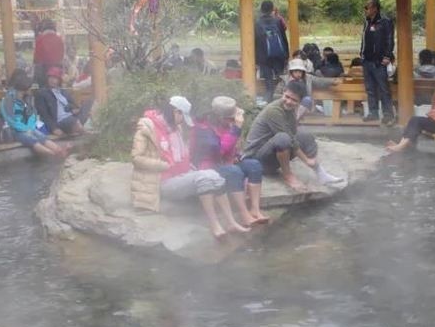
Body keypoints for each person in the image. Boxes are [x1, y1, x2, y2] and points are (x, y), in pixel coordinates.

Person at [130, 96, 248, 238]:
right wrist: (163, 165)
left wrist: (190, 167)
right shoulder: (147, 127)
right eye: (182, 117)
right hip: (162, 181)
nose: (182, 122)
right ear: (176, 112)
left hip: (180, 176)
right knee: (205, 177)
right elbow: (136, 158)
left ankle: (231, 222)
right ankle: (215, 225)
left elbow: (183, 155)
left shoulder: (175, 127)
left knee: (214, 176)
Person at [242, 80, 343, 192]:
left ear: (300, 101)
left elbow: (294, 133)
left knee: (305, 136)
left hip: (270, 155)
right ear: (283, 92)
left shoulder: (290, 110)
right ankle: (288, 176)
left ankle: (321, 173)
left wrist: (311, 158)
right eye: (287, 97)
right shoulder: (273, 111)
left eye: (294, 100)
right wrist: (306, 160)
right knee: (283, 138)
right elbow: (290, 139)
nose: (289, 101)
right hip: (256, 161)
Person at [192, 96, 270, 227]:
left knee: (254, 165)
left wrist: (238, 155)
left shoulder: (227, 124)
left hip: (227, 162)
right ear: (220, 117)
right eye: (231, 118)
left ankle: (255, 209)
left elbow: (231, 149)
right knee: (234, 171)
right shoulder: (204, 128)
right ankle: (244, 215)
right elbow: (220, 150)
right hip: (209, 166)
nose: (233, 121)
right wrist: (236, 129)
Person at [0, 70, 68, 158]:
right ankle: (54, 154)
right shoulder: (7, 101)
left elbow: (32, 115)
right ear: (24, 89)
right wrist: (25, 129)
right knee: (31, 140)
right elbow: (11, 120)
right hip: (15, 130)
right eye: (29, 88)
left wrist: (30, 127)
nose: (31, 90)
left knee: (41, 136)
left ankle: (59, 150)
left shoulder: (27, 98)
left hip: (29, 127)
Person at [359, 0, 396, 125]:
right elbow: (364, 40)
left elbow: (390, 40)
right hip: (367, 59)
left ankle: (388, 114)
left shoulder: (385, 21)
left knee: (383, 88)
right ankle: (373, 112)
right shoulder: (367, 22)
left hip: (379, 60)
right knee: (370, 88)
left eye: (367, 7)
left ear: (374, 8)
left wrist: (387, 56)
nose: (365, 10)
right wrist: (362, 55)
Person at [35, 66, 90, 136]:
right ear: (47, 78)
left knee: (89, 103)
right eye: (50, 77)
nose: (52, 80)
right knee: (73, 121)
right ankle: (84, 132)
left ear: (59, 80)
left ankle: (77, 129)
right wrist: (54, 128)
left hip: (72, 116)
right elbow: (44, 115)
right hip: (59, 121)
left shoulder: (63, 92)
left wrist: (73, 109)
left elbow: (74, 105)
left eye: (55, 78)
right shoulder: (42, 93)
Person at [255, 0, 290, 102]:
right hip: (279, 55)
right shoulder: (278, 21)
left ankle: (267, 100)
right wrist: (286, 55)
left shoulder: (257, 23)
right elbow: (283, 38)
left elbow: (255, 41)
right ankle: (281, 100)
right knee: (280, 79)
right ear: (272, 9)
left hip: (263, 56)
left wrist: (256, 59)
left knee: (268, 83)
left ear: (261, 9)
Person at [33, 19, 66, 87]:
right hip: (56, 70)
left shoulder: (40, 39)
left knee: (43, 88)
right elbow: (62, 55)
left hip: (43, 70)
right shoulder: (59, 39)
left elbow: (36, 57)